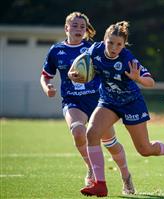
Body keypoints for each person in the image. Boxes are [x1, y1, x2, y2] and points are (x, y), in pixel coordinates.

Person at [68, 21, 164, 197]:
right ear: (104, 40)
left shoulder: (128, 59)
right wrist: (73, 75)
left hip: (131, 103)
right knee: (92, 133)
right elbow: (74, 69)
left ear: (124, 45)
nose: (113, 47)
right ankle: (100, 184)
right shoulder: (95, 50)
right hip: (108, 101)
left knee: (145, 149)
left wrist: (137, 78)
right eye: (110, 42)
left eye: (119, 44)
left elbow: (151, 82)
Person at [40, 12, 135, 195]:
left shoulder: (93, 48)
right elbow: (45, 76)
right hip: (73, 101)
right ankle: (91, 168)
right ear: (66, 28)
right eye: (74, 26)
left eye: (82, 27)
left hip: (99, 102)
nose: (78, 29)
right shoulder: (56, 50)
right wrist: (47, 88)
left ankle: (126, 177)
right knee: (77, 131)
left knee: (111, 144)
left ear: (86, 30)